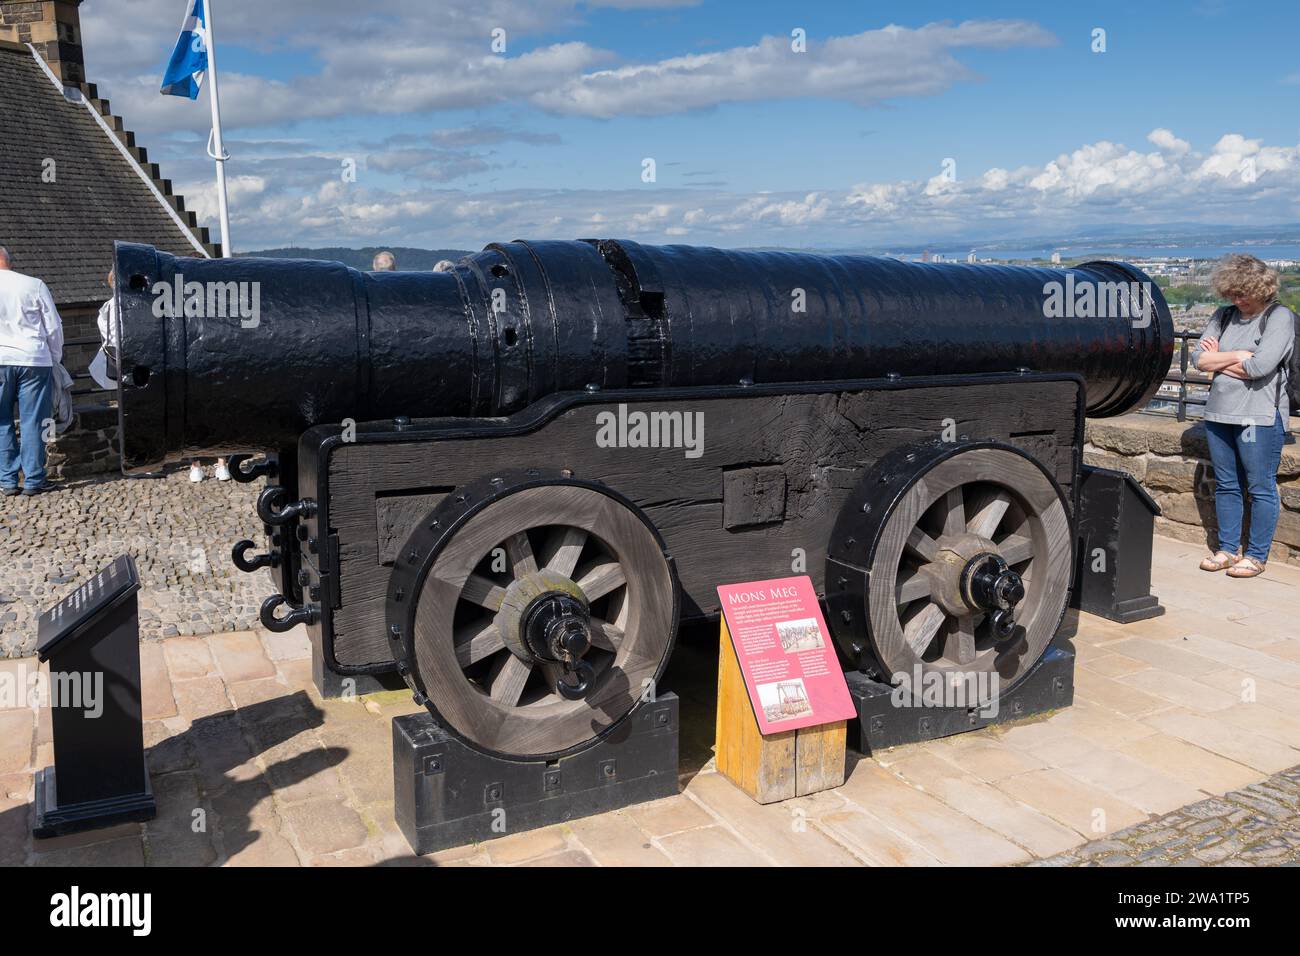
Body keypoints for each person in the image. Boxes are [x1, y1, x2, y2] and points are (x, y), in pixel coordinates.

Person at [1195, 253, 1294, 578]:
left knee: (1260, 485)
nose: (1237, 300)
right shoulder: (1224, 316)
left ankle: (1256, 555)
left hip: (1259, 416)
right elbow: (1199, 361)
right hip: (1219, 413)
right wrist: (1238, 354)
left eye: (1243, 293)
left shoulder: (1278, 317)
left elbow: (1261, 367)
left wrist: (1218, 359)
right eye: (1232, 294)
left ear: (1260, 288)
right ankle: (1227, 549)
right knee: (1226, 484)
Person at [0, 246, 63, 496]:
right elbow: (54, 327)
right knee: (33, 421)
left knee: (1, 420)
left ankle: (7, 480)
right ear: (9, 261)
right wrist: (54, 358)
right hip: (33, 359)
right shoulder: (34, 285)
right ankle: (34, 480)